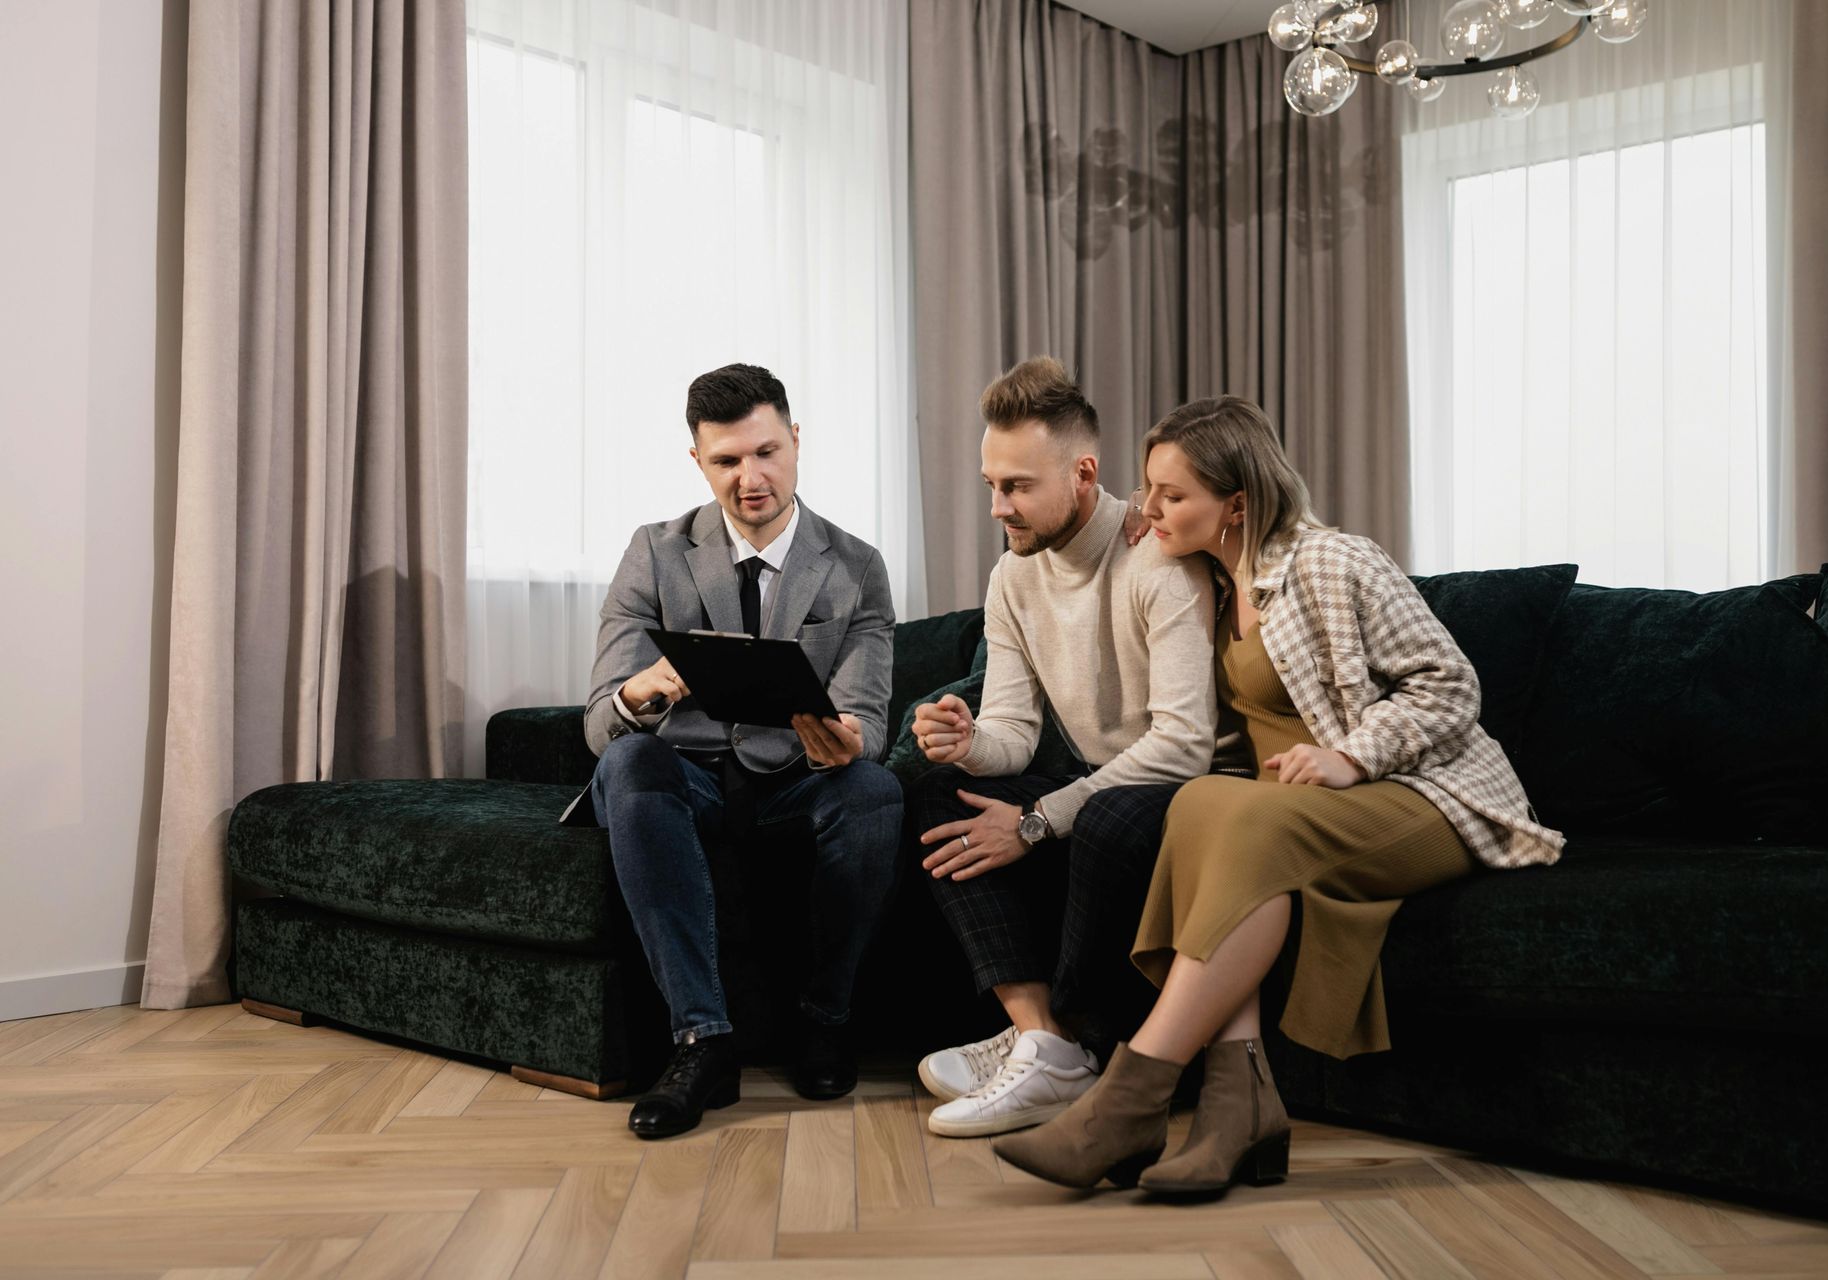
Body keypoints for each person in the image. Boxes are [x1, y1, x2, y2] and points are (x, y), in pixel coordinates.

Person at [995, 395, 1564, 1193]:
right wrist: (1144, 525)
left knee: (1235, 817)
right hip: (1293, 812)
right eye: (1148, 489)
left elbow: (1450, 686)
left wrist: (1352, 758)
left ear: (1238, 504)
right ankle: (1241, 1111)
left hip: (1426, 798)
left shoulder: (1336, 561)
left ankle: (1132, 1099)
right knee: (1197, 805)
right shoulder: (1212, 579)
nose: (1149, 507)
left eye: (1172, 495)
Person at [905, 357, 1223, 1139]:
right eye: (989, 484)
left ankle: (1075, 1040)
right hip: (1094, 782)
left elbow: (1184, 746)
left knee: (1108, 816)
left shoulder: (1161, 562)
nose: (995, 506)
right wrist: (966, 743)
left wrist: (1038, 821)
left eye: (1015, 486)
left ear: (1083, 473)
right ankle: (1041, 1036)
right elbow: (1013, 732)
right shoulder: (1013, 578)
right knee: (931, 790)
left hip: (1186, 793)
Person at [582, 363, 902, 1139]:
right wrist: (638, 693)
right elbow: (599, 723)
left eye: (766, 452)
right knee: (627, 762)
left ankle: (824, 1019)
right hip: (682, 777)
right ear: (698, 461)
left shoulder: (856, 565)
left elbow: (869, 717)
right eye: (726, 461)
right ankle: (701, 1040)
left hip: (796, 783)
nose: (750, 477)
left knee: (875, 792)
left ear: (796, 441)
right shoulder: (653, 553)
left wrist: (849, 738)